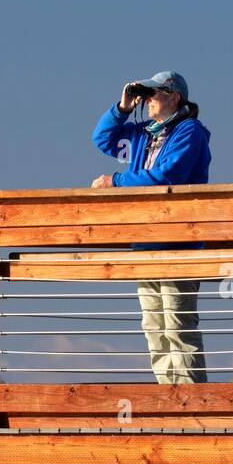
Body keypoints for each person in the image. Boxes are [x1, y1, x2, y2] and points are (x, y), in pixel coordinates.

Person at [92, 71, 211, 384]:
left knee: (178, 325)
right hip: (145, 243)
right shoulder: (142, 134)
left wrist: (115, 181)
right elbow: (102, 139)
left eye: (152, 93)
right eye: (144, 94)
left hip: (179, 244)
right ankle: (168, 400)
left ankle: (191, 401)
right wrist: (122, 108)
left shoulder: (190, 131)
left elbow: (166, 177)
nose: (146, 99)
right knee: (154, 328)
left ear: (174, 97)